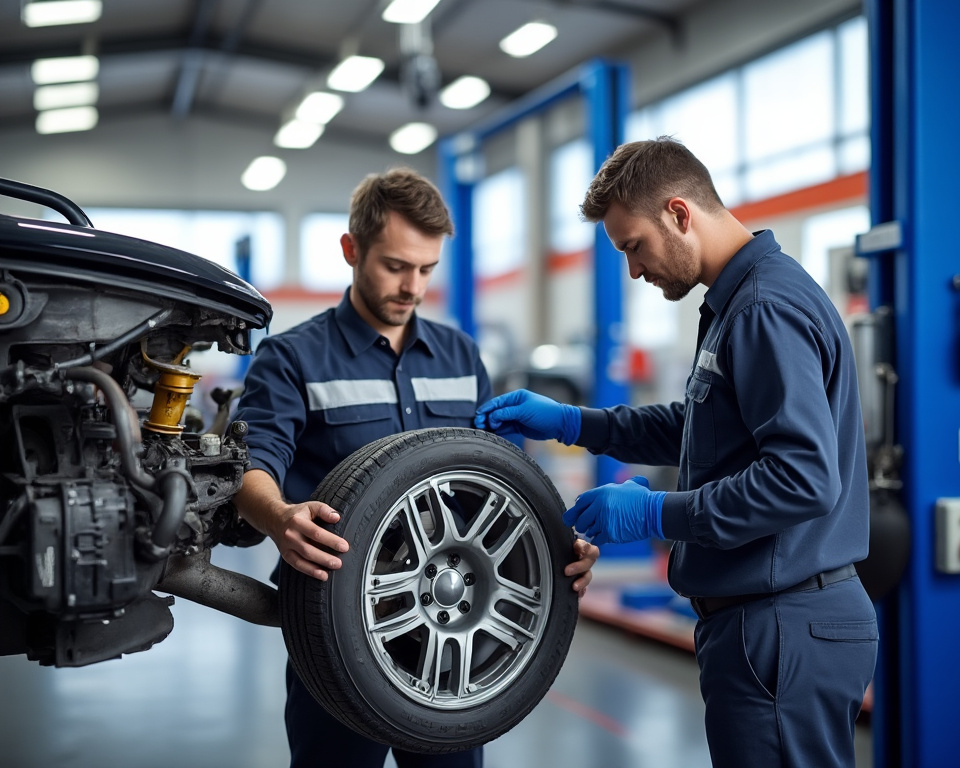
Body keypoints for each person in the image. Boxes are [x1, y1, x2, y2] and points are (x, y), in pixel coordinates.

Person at [475, 137, 877, 768]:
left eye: (633, 246)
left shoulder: (763, 307)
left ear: (680, 213)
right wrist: (573, 422)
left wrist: (656, 514)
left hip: (780, 622)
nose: (634, 270)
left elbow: (803, 479)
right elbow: (700, 429)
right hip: (767, 621)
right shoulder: (736, 304)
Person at [231, 167, 599, 768]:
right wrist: (279, 516)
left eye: (426, 269)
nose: (412, 286)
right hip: (338, 627)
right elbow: (251, 466)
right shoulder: (292, 357)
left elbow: (502, 481)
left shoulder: (459, 356)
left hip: (452, 634)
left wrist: (559, 543)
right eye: (395, 266)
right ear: (352, 250)